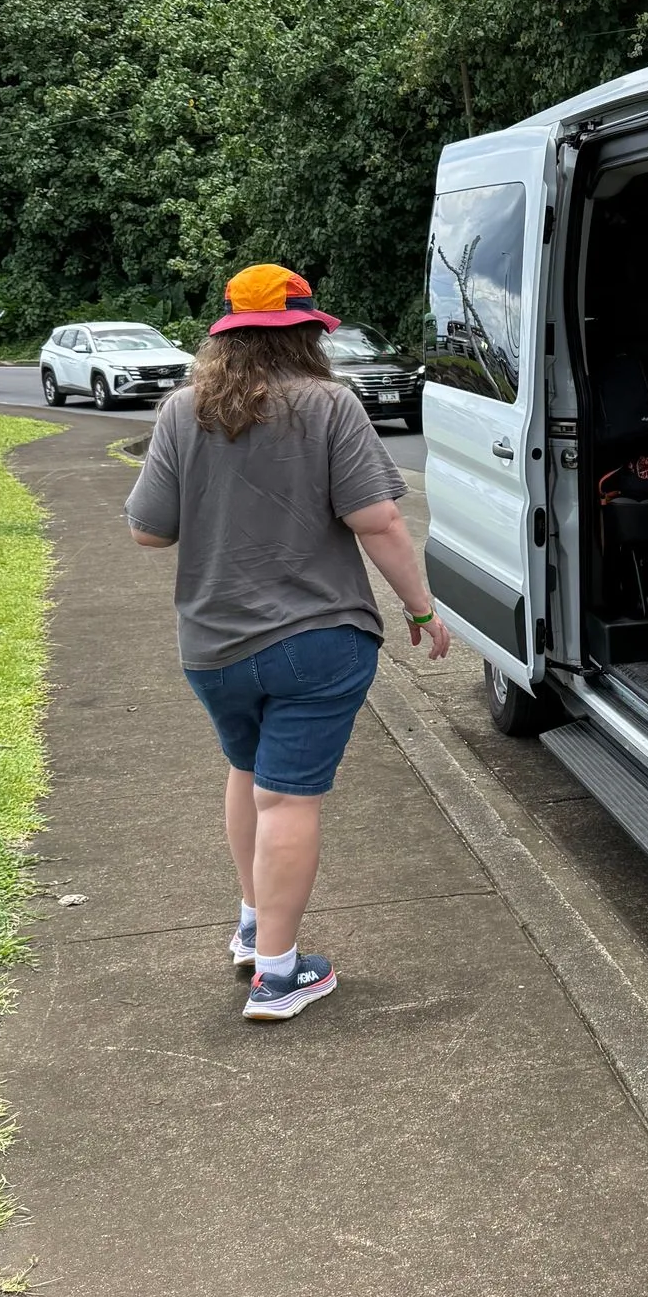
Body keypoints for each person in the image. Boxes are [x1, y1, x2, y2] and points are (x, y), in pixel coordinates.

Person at [125, 263, 450, 1021]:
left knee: (249, 773)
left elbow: (148, 531)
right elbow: (379, 522)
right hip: (316, 640)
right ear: (308, 332)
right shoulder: (330, 406)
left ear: (227, 336)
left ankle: (251, 926)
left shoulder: (182, 411)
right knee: (288, 797)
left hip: (212, 646)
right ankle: (278, 973)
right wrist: (421, 608)